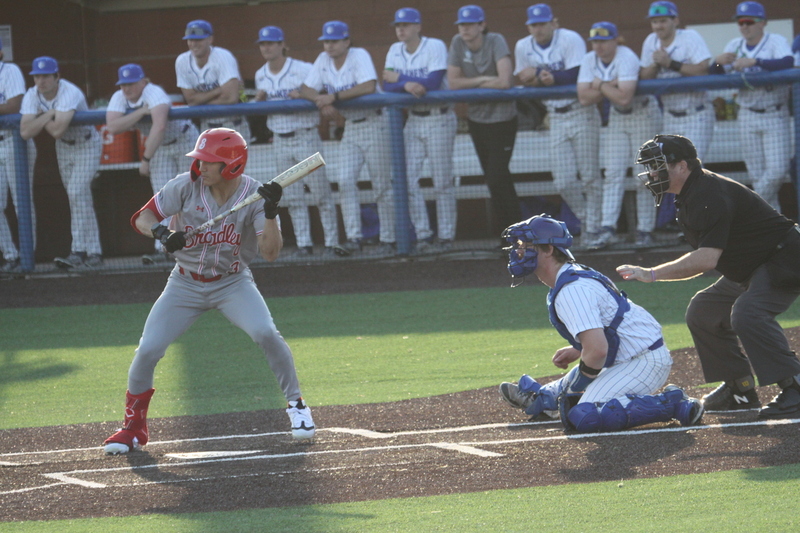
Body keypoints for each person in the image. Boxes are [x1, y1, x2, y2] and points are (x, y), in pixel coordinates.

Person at [103, 128, 315, 454]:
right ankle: (133, 429)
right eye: (199, 160)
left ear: (231, 165)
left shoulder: (257, 195)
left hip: (232, 283)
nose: (200, 166)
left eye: (209, 161)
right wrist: (161, 232)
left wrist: (271, 213)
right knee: (148, 350)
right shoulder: (185, 186)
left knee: (265, 332)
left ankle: (297, 406)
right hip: (184, 284)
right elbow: (143, 217)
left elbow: (270, 252)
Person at [617, 134, 800, 419]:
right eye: (650, 166)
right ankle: (739, 389)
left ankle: (795, 386)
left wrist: (651, 273)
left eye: (657, 165)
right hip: (755, 264)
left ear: (681, 166)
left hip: (784, 259)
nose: (652, 173)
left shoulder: (708, 194)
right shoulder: (690, 192)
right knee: (704, 311)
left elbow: (706, 259)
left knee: (747, 313)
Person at [498, 214, 703, 433]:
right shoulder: (570, 277)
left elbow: (597, 352)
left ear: (548, 249)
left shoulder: (571, 289)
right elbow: (605, 326)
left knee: (586, 415)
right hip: (625, 355)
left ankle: (674, 403)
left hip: (642, 361)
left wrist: (575, 390)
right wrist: (579, 348)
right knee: (575, 393)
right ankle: (545, 399)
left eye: (526, 245)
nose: (518, 252)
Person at [299, 20, 396, 256]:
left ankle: (389, 239)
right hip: (351, 126)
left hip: (376, 123)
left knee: (382, 185)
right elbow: (305, 89)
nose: (329, 45)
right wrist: (321, 101)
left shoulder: (358, 55)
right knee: (344, 180)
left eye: (334, 41)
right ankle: (354, 237)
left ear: (346, 41)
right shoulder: (323, 60)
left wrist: (334, 97)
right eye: (326, 41)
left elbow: (369, 86)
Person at [254, 26, 347, 260]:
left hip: (305, 136)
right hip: (280, 141)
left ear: (282, 45)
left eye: (271, 43)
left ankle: (332, 243)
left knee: (320, 194)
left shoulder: (303, 69)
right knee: (292, 197)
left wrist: (305, 95)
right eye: (263, 44)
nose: (266, 47)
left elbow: (322, 92)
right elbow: (259, 107)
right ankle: (304, 244)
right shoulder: (260, 74)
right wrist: (257, 101)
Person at [512, 4, 599, 244]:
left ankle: (595, 229)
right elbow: (523, 77)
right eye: (533, 24)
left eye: (542, 23)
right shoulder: (523, 45)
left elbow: (579, 72)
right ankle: (588, 221)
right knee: (563, 180)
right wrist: (536, 78)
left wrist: (544, 76)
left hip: (581, 111)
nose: (538, 29)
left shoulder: (569, 39)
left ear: (554, 23)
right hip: (555, 116)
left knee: (590, 176)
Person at [105, 63, 198, 265]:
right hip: (159, 148)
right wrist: (139, 113)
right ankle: (164, 248)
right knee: (162, 196)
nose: (126, 88)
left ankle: (196, 246)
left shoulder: (153, 92)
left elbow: (160, 126)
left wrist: (145, 159)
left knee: (193, 193)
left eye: (131, 83)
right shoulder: (120, 97)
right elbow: (112, 127)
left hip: (184, 141)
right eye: (123, 84)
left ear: (143, 81)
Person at [577, 22, 659, 250]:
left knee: (643, 175)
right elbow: (583, 97)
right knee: (613, 173)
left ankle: (645, 230)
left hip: (643, 113)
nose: (599, 46)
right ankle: (607, 229)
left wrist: (600, 85)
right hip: (617, 116)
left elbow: (625, 97)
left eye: (604, 41)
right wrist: (610, 87)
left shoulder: (626, 56)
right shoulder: (589, 59)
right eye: (595, 41)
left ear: (615, 40)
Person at [383, 7, 457, 253]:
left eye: (405, 25)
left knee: (442, 181)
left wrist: (400, 80)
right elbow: (387, 85)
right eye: (397, 25)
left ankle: (446, 237)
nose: (400, 29)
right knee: (405, 179)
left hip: (439, 118)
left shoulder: (434, 45)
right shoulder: (395, 49)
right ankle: (424, 235)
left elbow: (433, 82)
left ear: (418, 27)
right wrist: (408, 84)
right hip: (413, 119)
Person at [19, 56, 103, 269]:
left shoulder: (69, 91)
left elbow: (56, 131)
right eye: (37, 76)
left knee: (76, 193)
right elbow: (25, 131)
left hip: (86, 144)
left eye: (46, 76)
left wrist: (41, 117)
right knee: (79, 197)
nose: (41, 81)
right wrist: (50, 113)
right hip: (64, 148)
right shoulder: (32, 94)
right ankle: (94, 253)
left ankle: (78, 251)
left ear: (57, 76)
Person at [710, 2, 794, 212]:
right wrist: (718, 62)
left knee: (777, 171)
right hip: (747, 114)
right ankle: (774, 228)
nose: (744, 26)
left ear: (762, 23)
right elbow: (714, 73)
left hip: (775, 112)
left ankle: (744, 206)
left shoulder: (774, 41)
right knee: (757, 175)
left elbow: (788, 62)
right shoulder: (734, 45)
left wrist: (755, 61)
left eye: (749, 21)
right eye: (740, 22)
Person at [447, 4, 520, 241]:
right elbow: (453, 83)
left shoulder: (495, 40)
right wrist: (482, 80)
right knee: (495, 179)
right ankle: (513, 236)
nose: (465, 29)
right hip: (477, 120)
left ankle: (517, 233)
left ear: (482, 25)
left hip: (503, 120)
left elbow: (505, 82)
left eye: (470, 24)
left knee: (498, 176)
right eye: (461, 25)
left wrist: (472, 82)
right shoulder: (457, 43)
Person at [639, 1, 714, 229]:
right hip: (670, 115)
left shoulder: (689, 38)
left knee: (693, 170)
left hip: (697, 112)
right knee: (672, 172)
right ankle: (686, 222)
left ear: (675, 21)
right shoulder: (650, 42)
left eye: (663, 20)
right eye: (654, 21)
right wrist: (656, 63)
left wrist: (669, 62)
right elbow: (645, 75)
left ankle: (703, 221)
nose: (658, 26)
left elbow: (703, 68)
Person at [175, 19, 251, 141]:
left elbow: (230, 98)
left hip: (233, 125)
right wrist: (218, 90)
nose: (193, 44)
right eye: (190, 40)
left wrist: (201, 101)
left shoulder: (223, 57)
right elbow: (191, 101)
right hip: (208, 128)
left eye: (198, 39)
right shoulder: (182, 61)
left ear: (210, 39)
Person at [0, 37, 36, 273]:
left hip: (14, 143)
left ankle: (27, 257)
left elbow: (14, 104)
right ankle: (10, 255)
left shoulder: (9, 70)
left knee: (21, 202)